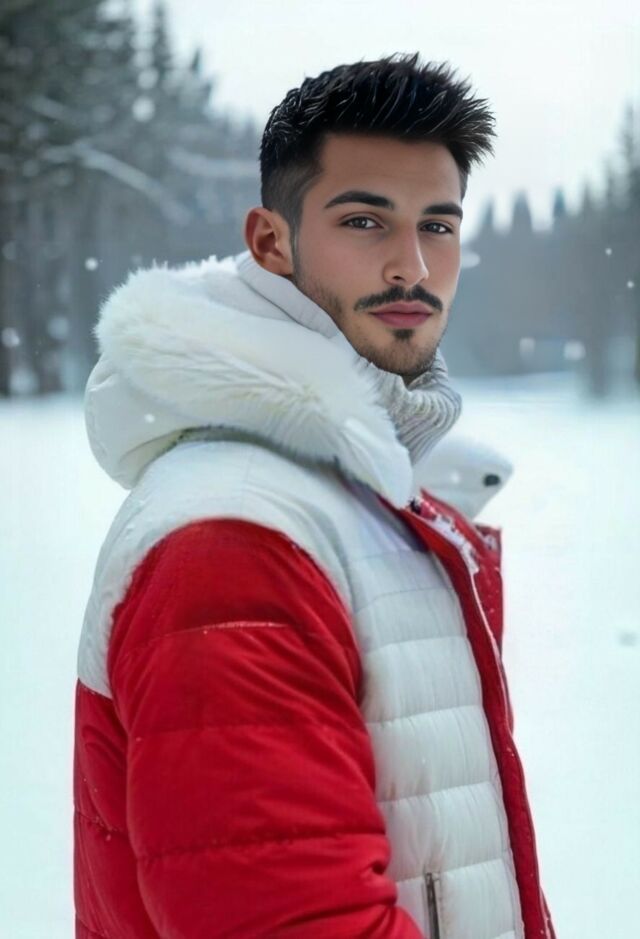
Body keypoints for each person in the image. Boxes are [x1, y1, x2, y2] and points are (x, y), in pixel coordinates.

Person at [73, 51, 556, 938]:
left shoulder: (359, 495)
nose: (413, 265)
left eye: (438, 225)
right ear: (271, 241)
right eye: (365, 221)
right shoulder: (234, 538)